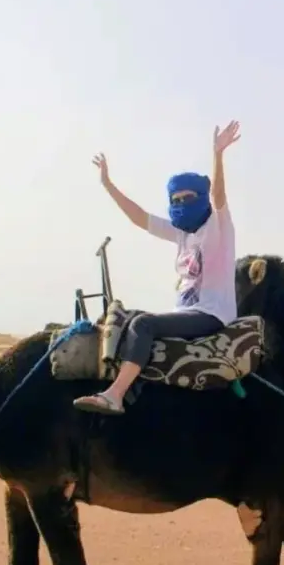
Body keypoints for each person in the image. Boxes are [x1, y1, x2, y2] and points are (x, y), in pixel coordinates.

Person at [75, 121, 242, 415]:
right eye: (175, 200)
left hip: (212, 313)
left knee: (144, 324)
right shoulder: (181, 234)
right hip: (186, 313)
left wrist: (218, 155)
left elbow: (218, 198)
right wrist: (108, 185)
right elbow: (140, 218)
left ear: (200, 197)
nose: (180, 204)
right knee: (128, 320)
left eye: (187, 198)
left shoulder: (218, 227)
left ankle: (115, 395)